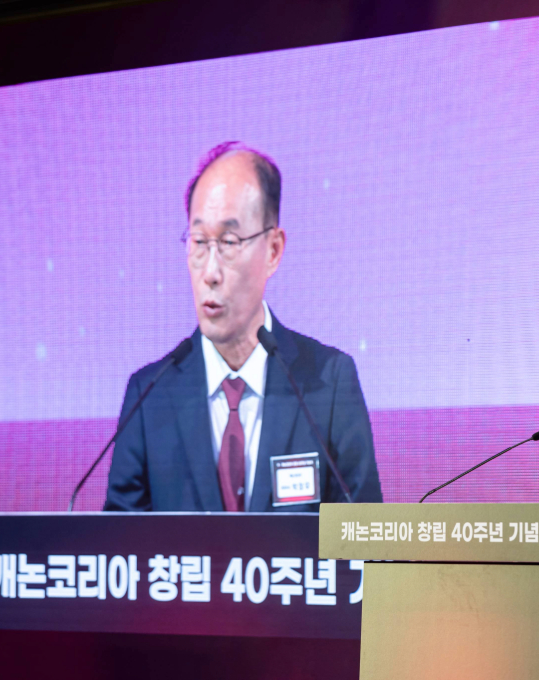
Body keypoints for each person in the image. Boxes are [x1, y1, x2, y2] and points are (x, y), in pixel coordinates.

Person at [104, 142, 382, 511]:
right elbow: (119, 543)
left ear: (273, 251)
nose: (210, 272)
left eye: (229, 242)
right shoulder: (148, 396)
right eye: (199, 242)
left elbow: (361, 537)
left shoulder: (328, 384)